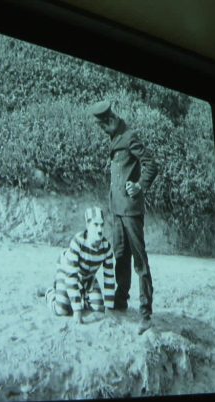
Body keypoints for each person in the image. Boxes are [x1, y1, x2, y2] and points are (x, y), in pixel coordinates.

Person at [87, 101, 159, 323]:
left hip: (130, 209)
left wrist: (139, 185)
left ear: (110, 120)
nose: (102, 131)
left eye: (102, 127)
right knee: (120, 255)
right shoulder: (116, 137)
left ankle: (145, 311)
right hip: (117, 209)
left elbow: (151, 164)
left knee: (139, 260)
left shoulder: (129, 136)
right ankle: (121, 300)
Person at [46, 207, 115, 324]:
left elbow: (109, 277)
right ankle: (50, 292)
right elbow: (70, 276)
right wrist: (77, 310)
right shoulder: (78, 242)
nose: (100, 229)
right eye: (96, 225)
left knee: (98, 308)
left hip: (88, 278)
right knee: (62, 309)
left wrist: (108, 307)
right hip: (67, 274)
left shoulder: (106, 248)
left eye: (102, 225)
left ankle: (80, 297)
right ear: (88, 226)